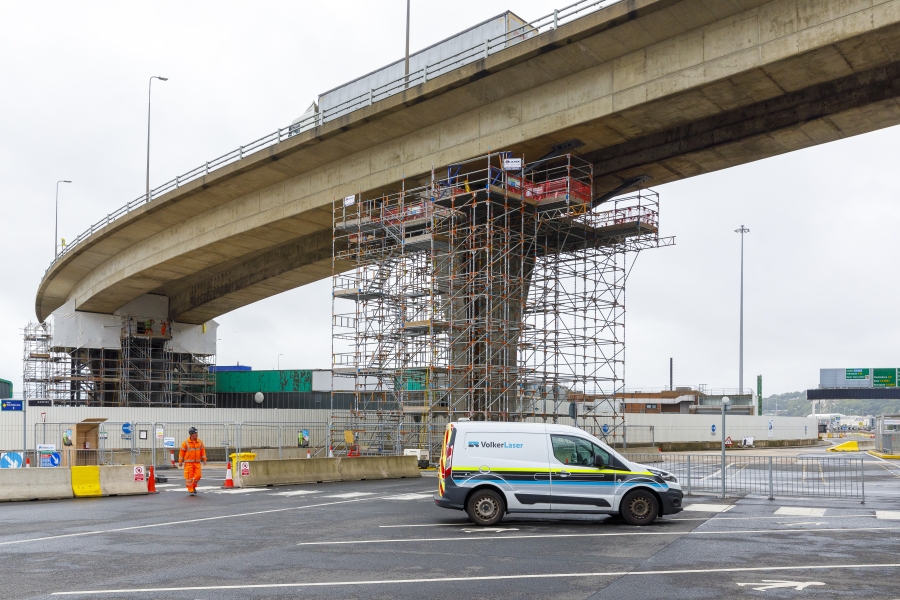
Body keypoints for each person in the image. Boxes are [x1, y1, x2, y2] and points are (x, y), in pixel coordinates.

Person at [178, 427, 207, 496]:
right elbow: (181, 453)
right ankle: (190, 489)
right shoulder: (185, 443)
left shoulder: (200, 442)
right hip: (188, 463)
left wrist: (204, 459)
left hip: (197, 463)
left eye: (197, 433)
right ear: (191, 434)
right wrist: (180, 461)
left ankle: (193, 486)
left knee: (198, 476)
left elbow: (203, 452)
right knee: (189, 477)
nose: (196, 435)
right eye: (195, 433)